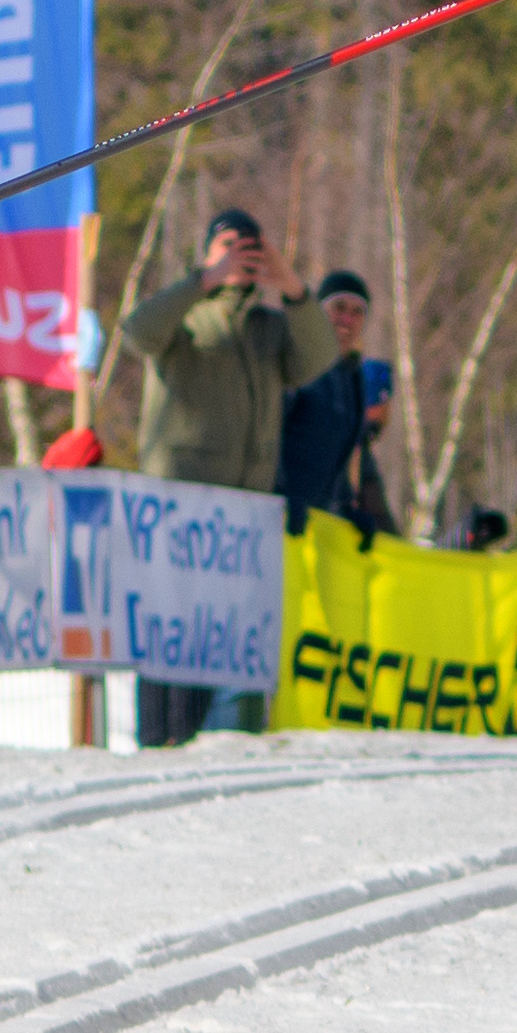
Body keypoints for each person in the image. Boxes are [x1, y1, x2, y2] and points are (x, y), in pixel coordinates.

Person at [120, 207, 335, 741]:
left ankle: (224, 746)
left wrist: (291, 287)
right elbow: (136, 332)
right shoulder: (187, 317)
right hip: (180, 512)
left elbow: (320, 357)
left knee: (226, 647)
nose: (241, 255)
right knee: (171, 640)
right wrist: (205, 280)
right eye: (229, 245)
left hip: (242, 521)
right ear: (207, 252)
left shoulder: (269, 329)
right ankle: (160, 747)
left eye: (251, 247)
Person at [280, 267, 399, 539]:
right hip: (277, 511)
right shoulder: (299, 364)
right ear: (320, 311)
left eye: (358, 312)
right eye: (339, 307)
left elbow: (345, 456)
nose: (347, 319)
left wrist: (347, 507)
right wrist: (283, 492)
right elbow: (268, 435)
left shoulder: (354, 378)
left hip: (318, 519)